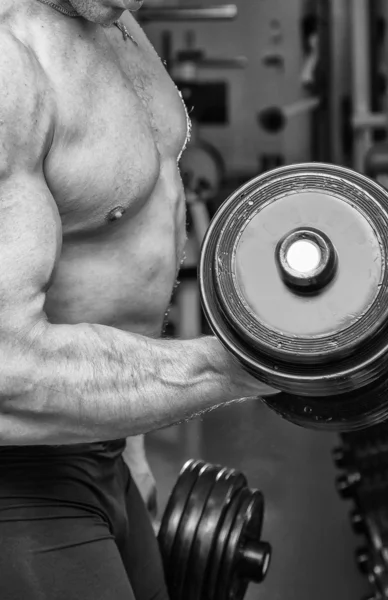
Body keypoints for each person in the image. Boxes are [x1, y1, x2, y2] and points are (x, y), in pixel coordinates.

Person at [0, 1, 278, 598]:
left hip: (106, 450)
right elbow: (4, 367)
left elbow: (110, 277)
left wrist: (132, 447)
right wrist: (236, 365)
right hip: (23, 480)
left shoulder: (112, 19)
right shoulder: (9, 62)